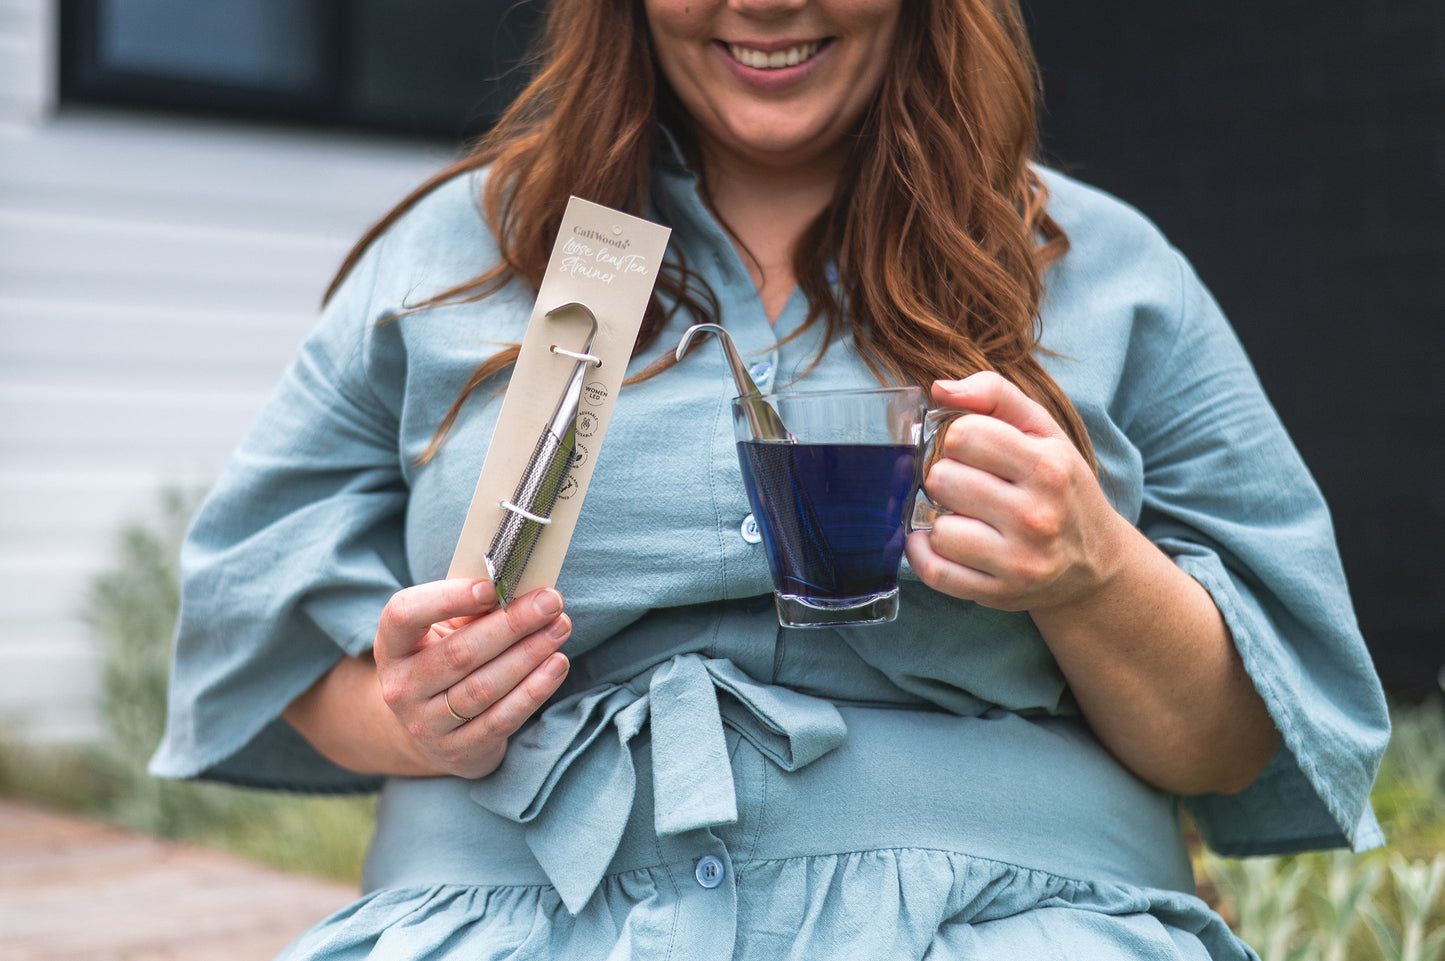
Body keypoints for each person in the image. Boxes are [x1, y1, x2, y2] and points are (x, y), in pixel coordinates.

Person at [150, 0, 1391, 957]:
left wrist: (1093, 575)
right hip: (515, 919)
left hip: (1008, 924)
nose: (764, 4)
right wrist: (406, 714)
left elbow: (1235, 740)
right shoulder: (462, 253)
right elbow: (260, 613)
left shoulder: (1102, 269)